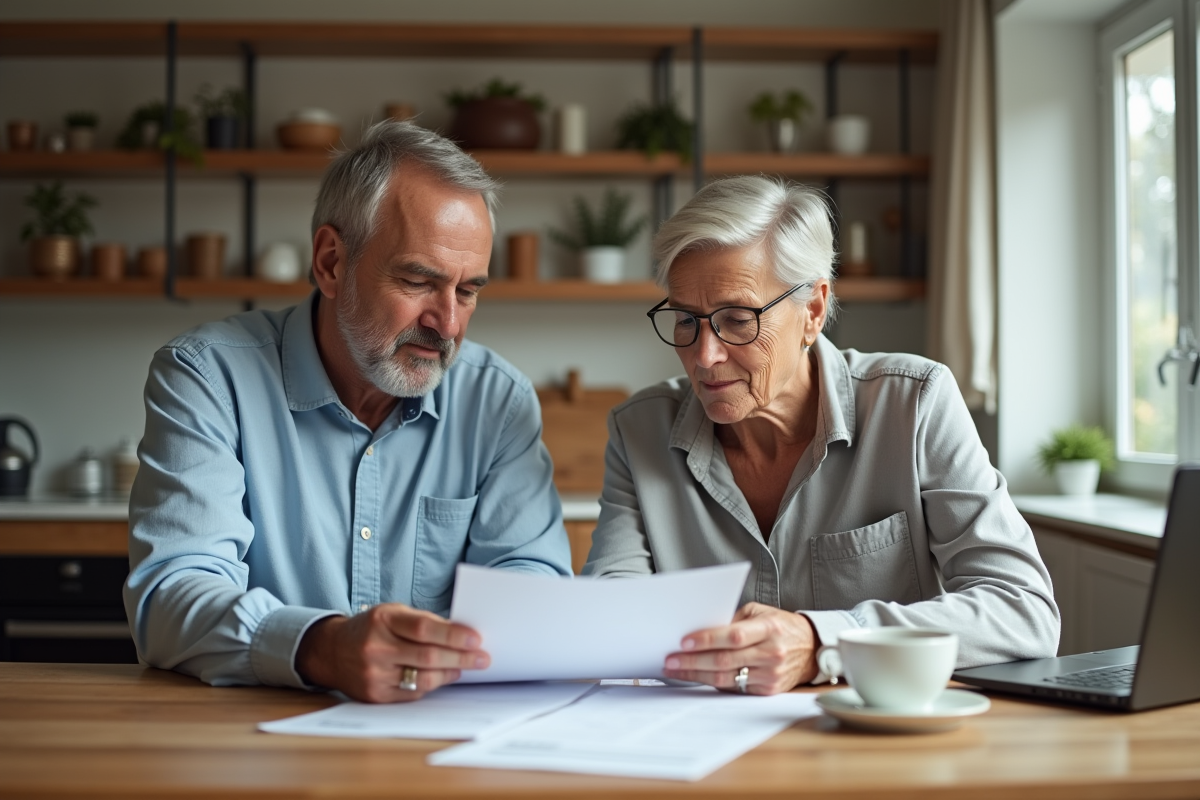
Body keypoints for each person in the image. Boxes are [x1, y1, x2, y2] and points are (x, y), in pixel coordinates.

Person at [124, 121, 572, 703]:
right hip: (255, 745)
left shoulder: (496, 400)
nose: (449, 324)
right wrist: (324, 647)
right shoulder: (208, 377)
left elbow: (532, 583)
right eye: (417, 280)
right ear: (332, 262)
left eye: (467, 291)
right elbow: (171, 595)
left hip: (440, 742)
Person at [584, 175, 1059, 695]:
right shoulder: (639, 431)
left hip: (872, 747)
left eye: (738, 320)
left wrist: (824, 641)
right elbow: (611, 619)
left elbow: (1023, 611)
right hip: (704, 756)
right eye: (685, 320)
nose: (705, 355)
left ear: (812, 311)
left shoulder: (914, 404)